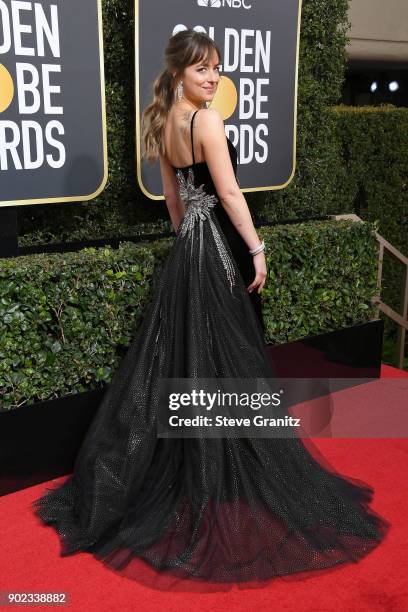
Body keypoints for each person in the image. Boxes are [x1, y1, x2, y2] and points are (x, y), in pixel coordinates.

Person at [32, 29, 390, 591]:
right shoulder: (206, 122)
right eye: (202, 70)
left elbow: (176, 204)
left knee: (191, 363)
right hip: (218, 249)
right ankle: (220, 473)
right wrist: (256, 249)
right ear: (180, 71)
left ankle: (200, 469)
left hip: (188, 253)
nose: (213, 78)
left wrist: (187, 251)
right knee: (225, 363)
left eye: (217, 69)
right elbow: (228, 195)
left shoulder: (164, 121)